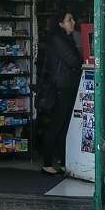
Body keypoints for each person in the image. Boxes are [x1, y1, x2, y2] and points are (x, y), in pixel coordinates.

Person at [39, 11, 83, 175]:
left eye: (72, 19)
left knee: (64, 125)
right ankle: (47, 162)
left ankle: (63, 160)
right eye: (69, 20)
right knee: (57, 124)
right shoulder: (58, 39)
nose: (73, 22)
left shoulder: (67, 39)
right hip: (61, 87)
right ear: (60, 24)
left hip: (66, 85)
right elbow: (74, 60)